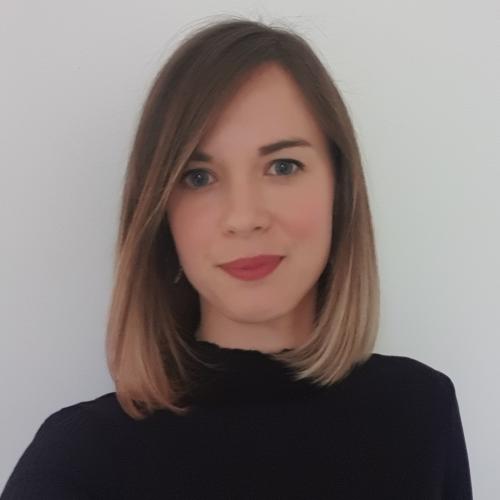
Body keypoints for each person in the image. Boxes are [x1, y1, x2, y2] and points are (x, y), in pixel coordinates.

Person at [1, 16, 473, 499]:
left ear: (340, 187)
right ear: (161, 215)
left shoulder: (420, 411)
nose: (244, 218)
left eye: (283, 166)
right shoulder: (80, 459)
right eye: (198, 177)